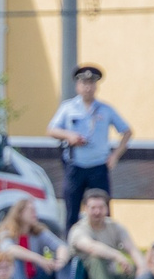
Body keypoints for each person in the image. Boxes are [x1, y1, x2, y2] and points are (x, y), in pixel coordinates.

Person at [44, 64, 131, 214]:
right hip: (75, 165)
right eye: (84, 83)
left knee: (102, 211)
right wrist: (69, 135)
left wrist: (115, 156)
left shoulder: (105, 109)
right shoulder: (68, 107)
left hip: (98, 166)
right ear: (78, 86)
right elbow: (51, 130)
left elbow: (127, 132)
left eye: (91, 84)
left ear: (96, 86)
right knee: (71, 211)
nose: (88, 88)